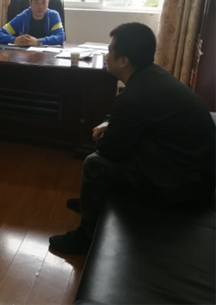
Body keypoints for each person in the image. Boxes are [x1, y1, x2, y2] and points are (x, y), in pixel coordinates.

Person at [49, 22, 216, 255]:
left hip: (182, 183)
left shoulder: (136, 95)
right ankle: (91, 200)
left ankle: (87, 236)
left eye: (110, 51)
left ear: (123, 61)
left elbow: (110, 150)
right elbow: (133, 115)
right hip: (192, 169)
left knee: (95, 164)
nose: (107, 56)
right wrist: (111, 124)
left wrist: (108, 133)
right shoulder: (152, 76)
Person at [0, 0, 65, 46]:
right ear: (30, 3)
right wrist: (14, 40)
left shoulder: (53, 16)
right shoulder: (22, 17)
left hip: (47, 56)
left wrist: (38, 42)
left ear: (48, 2)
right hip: (25, 55)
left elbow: (61, 37)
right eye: (36, 3)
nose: (40, 6)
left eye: (44, 2)